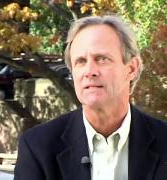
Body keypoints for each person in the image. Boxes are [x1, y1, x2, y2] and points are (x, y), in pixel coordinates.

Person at [14, 15, 167, 180]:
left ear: (131, 68)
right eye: (80, 61)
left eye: (102, 59)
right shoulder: (38, 147)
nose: (90, 71)